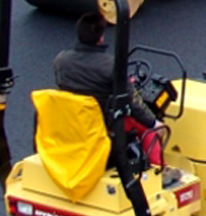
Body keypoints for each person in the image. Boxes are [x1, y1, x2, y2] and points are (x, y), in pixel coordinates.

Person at [52, 12, 165, 162]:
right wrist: (154, 123)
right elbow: (131, 103)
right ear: (100, 38)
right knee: (149, 131)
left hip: (73, 119)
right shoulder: (112, 66)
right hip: (104, 123)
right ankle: (159, 169)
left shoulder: (61, 61)